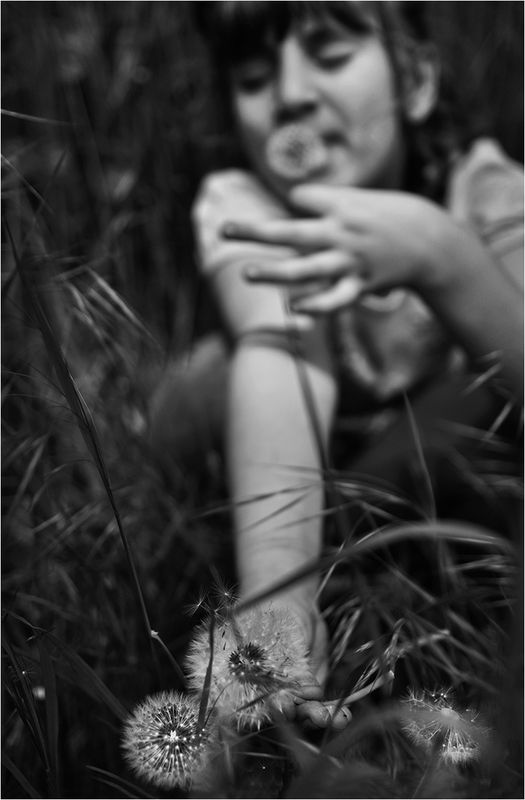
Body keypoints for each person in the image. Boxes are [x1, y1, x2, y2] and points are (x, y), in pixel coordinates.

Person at [151, 1, 523, 730]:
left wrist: (443, 256)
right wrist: (278, 594)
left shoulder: (484, 194)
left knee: (466, 410)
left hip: (418, 431)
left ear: (415, 81)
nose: (290, 94)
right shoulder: (245, 206)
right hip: (257, 427)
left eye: (329, 55)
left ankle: (370, 494)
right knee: (211, 388)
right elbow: (281, 354)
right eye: (253, 78)